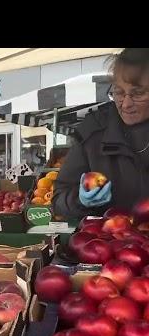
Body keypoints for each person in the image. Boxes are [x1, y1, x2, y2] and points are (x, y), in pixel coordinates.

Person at [53, 48, 149, 218]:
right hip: (111, 241)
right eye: (118, 92)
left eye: (138, 93)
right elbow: (59, 199)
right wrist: (80, 200)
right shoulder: (92, 134)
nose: (126, 104)